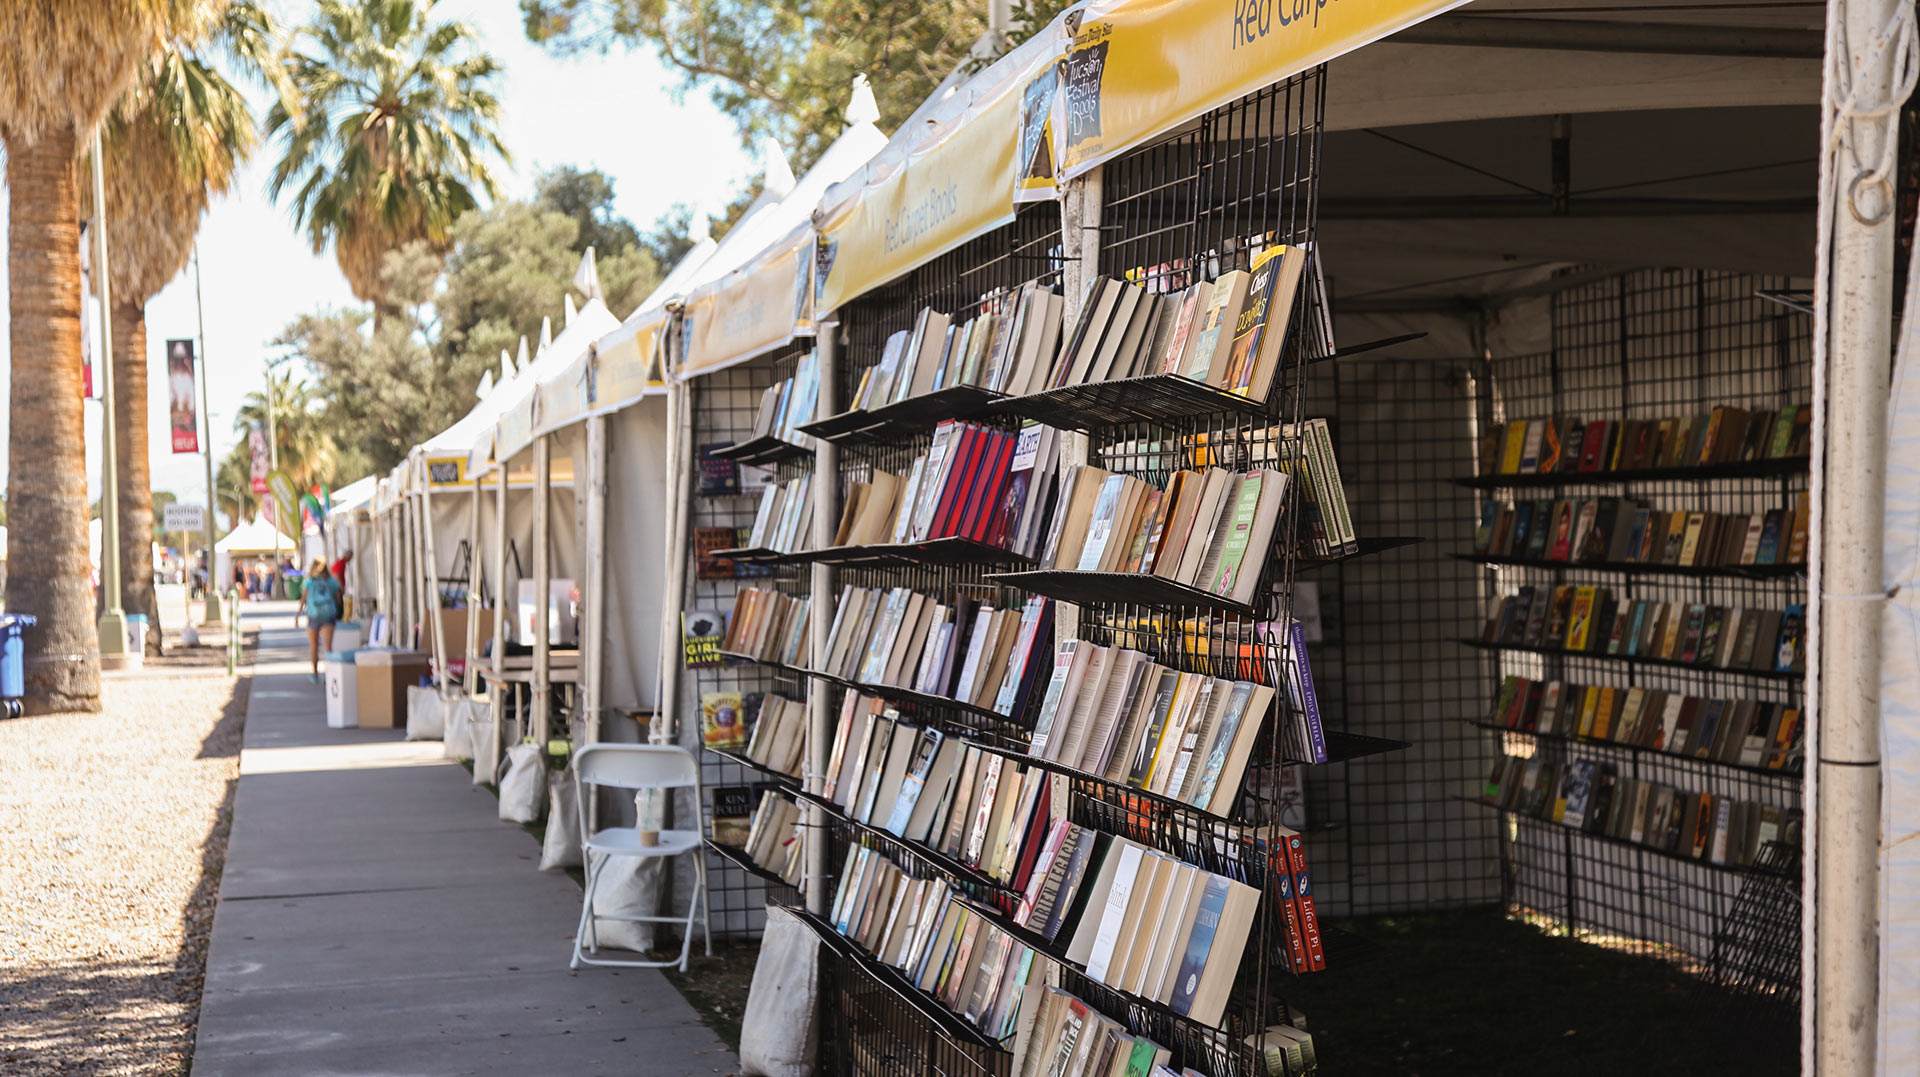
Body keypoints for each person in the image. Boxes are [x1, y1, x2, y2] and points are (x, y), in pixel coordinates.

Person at [304, 557, 344, 682]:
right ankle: (329, 675)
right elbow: (338, 599)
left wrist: (297, 614)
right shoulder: (332, 582)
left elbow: (303, 599)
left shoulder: (310, 581)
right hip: (328, 617)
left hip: (314, 616)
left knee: (314, 646)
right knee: (328, 647)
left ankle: (315, 674)